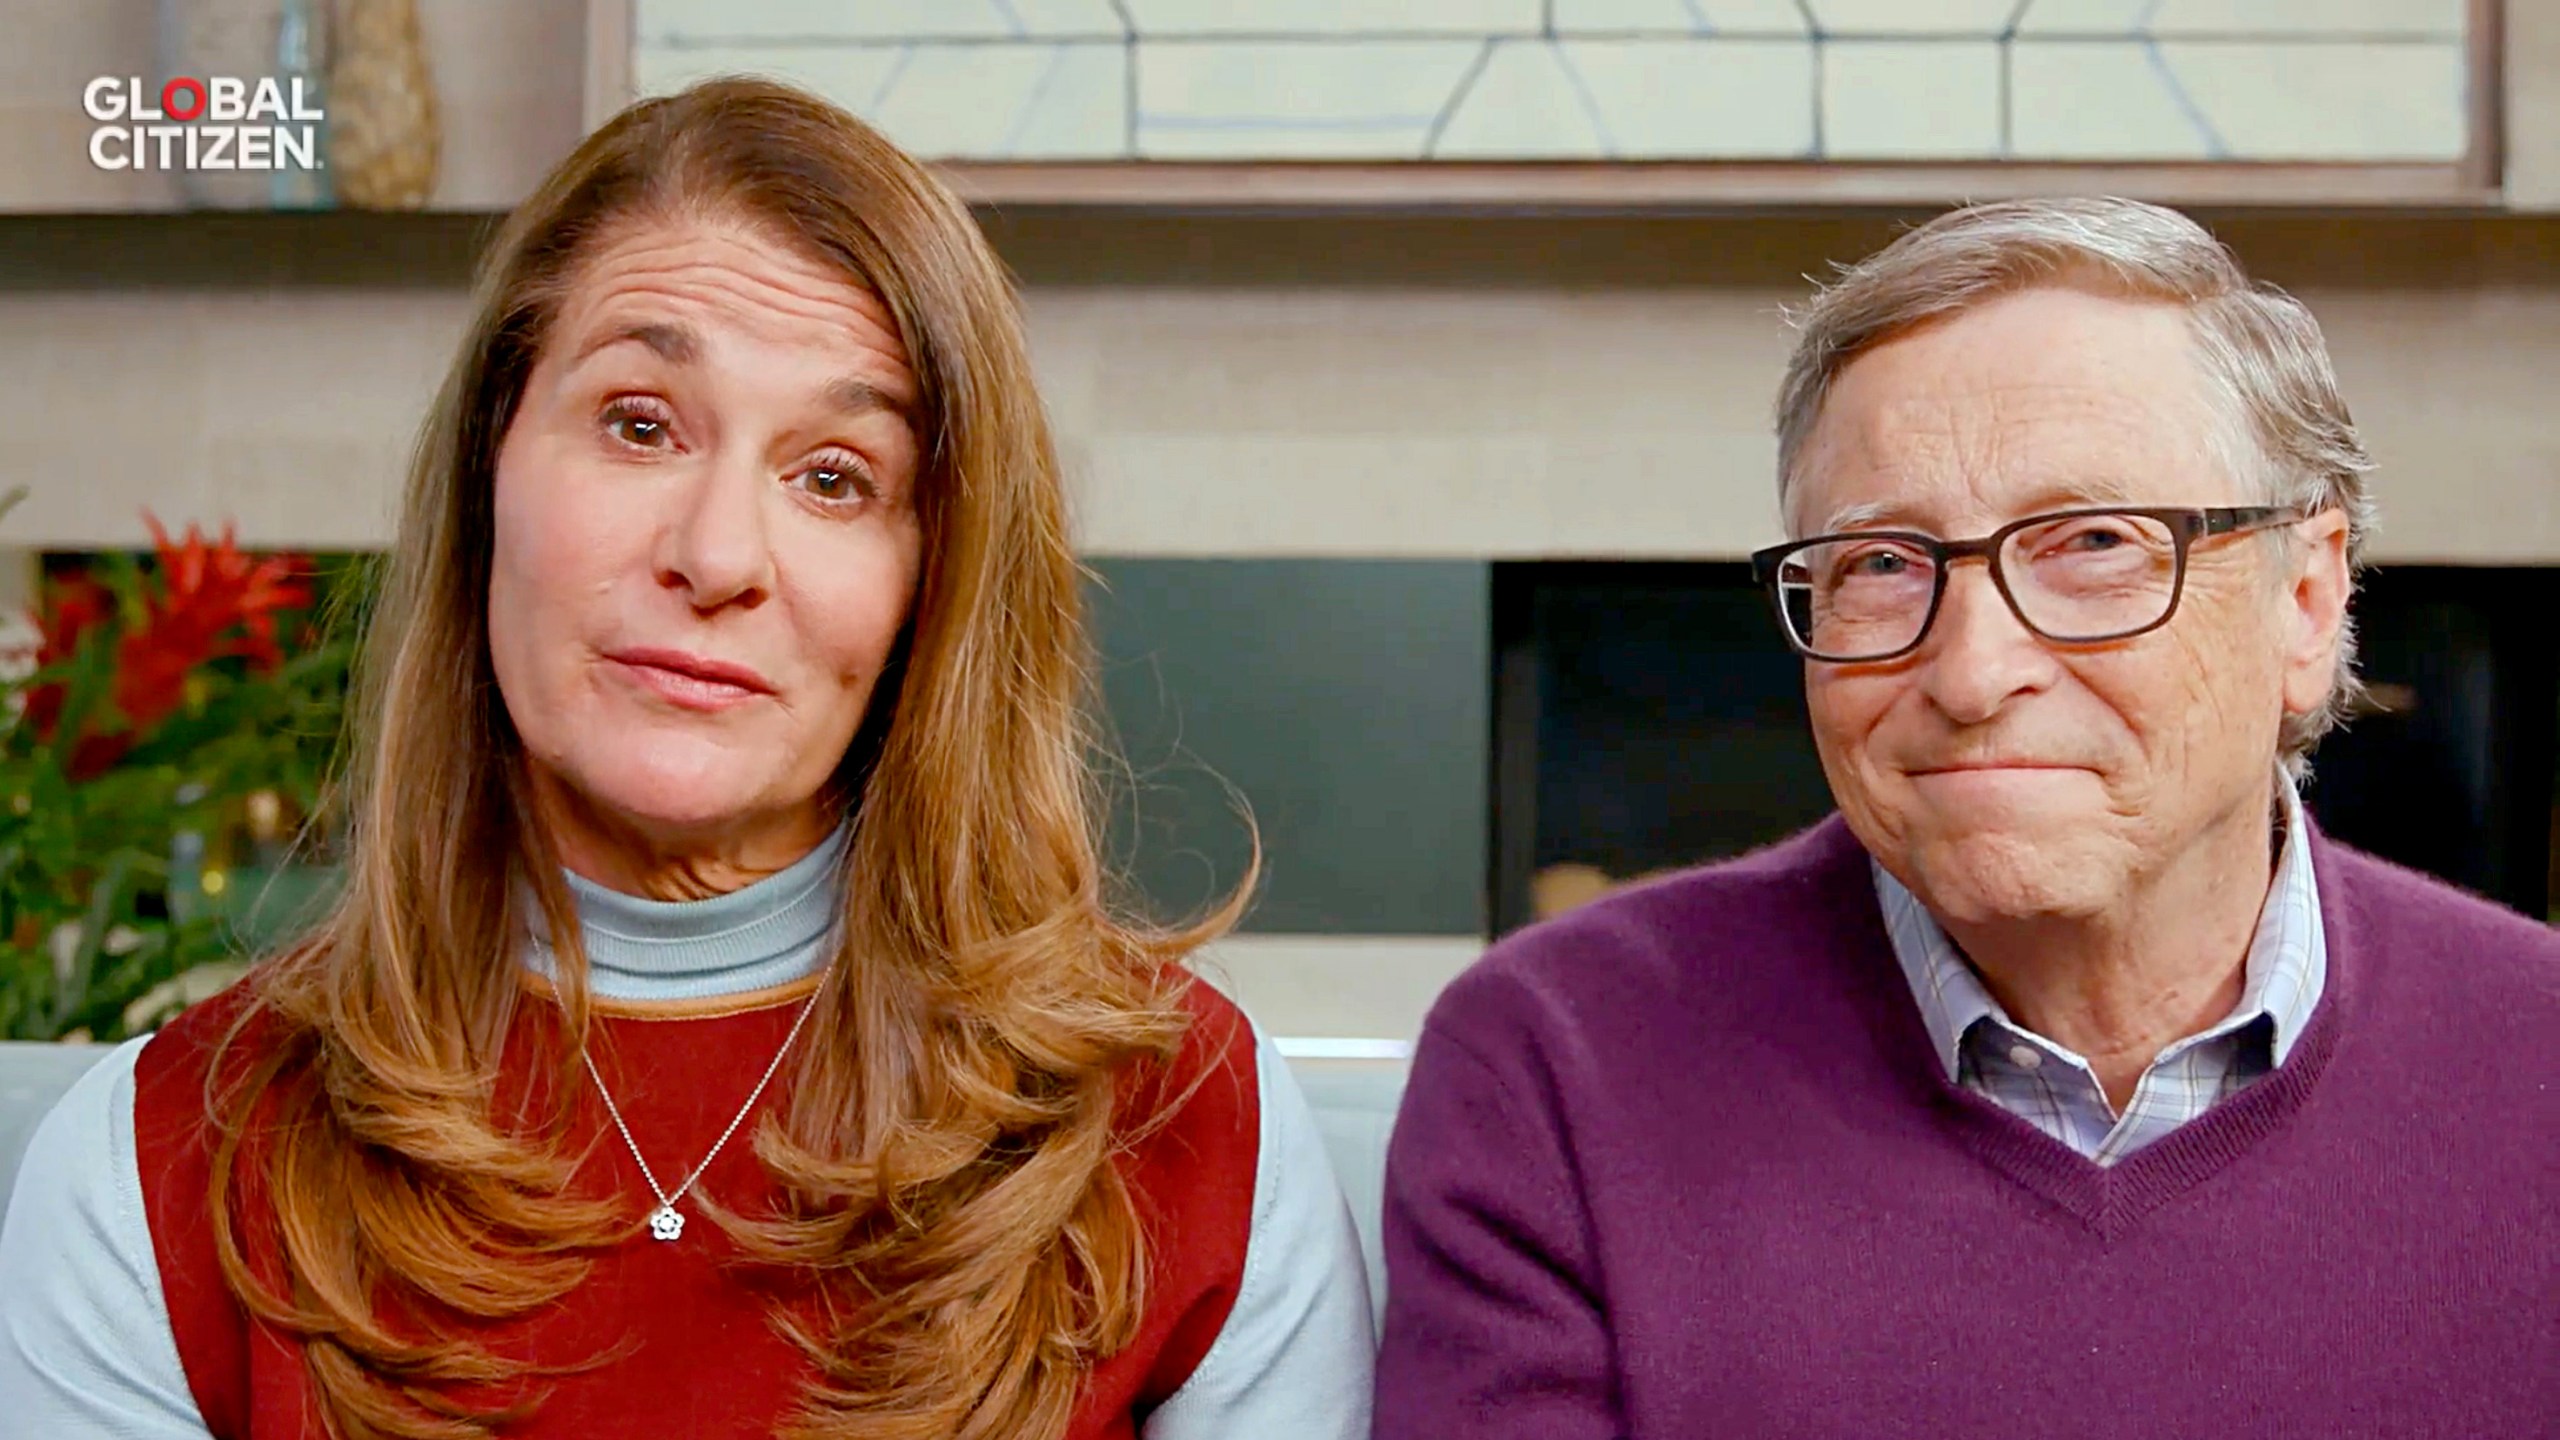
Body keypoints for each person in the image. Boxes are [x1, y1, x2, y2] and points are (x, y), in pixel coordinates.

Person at [0, 77, 1372, 1440]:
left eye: (837, 476)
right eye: (640, 424)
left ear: (932, 584)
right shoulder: (159, 1165)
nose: (716, 557)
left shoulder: (1195, 1133)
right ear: (492, 467)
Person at [1373, 197, 2556, 1437]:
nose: (1974, 672)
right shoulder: (1557, 1061)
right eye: (1882, 564)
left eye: (2096, 542)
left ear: (2306, 604)